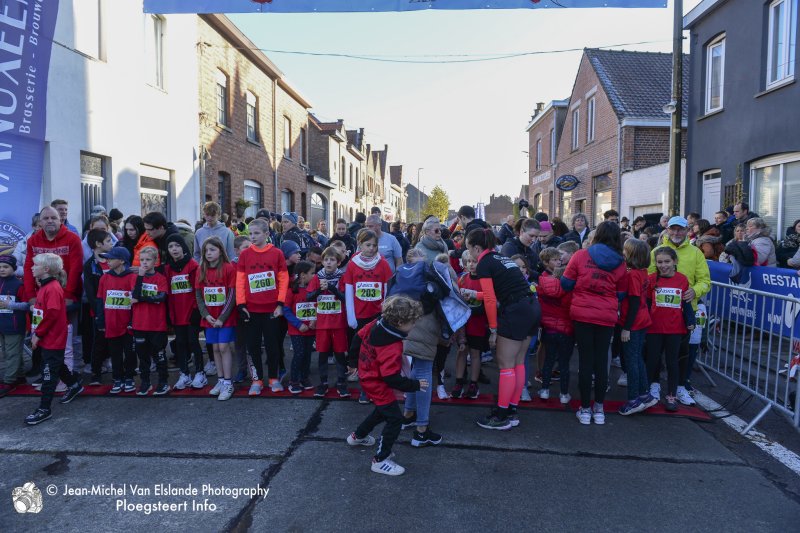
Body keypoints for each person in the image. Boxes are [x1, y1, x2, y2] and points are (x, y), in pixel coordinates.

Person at [467, 228, 541, 430]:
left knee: (505, 364)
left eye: (469, 249)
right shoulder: (501, 258)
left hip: (515, 311)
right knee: (518, 363)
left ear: (476, 247)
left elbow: (491, 299)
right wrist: (471, 293)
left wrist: (493, 328)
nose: (470, 255)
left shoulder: (484, 263)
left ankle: (500, 415)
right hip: (531, 307)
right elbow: (499, 290)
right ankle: (511, 409)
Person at [345, 295, 426, 476]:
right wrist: (414, 385)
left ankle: (357, 436)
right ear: (398, 322)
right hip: (377, 383)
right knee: (395, 419)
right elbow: (390, 377)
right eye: (411, 323)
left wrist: (352, 361)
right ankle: (380, 460)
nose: (413, 326)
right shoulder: (392, 345)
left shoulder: (378, 322)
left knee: (382, 411)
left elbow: (357, 337)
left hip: (368, 377)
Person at [561, 221, 627, 425]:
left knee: (585, 361)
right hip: (606, 316)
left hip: (582, 314)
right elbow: (621, 293)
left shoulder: (581, 255)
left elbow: (566, 283)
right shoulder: (620, 262)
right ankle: (599, 409)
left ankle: (584, 408)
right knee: (601, 362)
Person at [25, 253, 84, 425]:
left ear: (46, 269)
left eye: (35, 265)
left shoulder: (52, 288)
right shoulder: (45, 286)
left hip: (53, 337)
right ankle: (74, 385)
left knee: (48, 372)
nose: (31, 267)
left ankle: (44, 409)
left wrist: (38, 334)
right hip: (50, 337)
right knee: (56, 365)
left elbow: (52, 314)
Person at [236, 219, 288, 395]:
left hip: (272, 309)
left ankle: (273, 378)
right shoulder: (245, 255)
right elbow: (240, 281)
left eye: (256, 233)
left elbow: (283, 279)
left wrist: (280, 304)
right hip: (251, 310)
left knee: (273, 346)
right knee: (253, 346)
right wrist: (241, 304)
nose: (253, 237)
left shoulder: (277, 253)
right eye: (250, 234)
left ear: (267, 234)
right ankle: (256, 380)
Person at [647, 246, 696, 411]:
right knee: (652, 360)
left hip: (675, 329)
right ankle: (652, 389)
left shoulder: (682, 279)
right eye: (659, 262)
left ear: (674, 261)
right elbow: (646, 304)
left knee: (672, 362)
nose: (663, 265)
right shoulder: (651, 279)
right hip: (654, 327)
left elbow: (686, 303)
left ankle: (671, 395)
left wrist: (690, 319)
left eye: (667, 261)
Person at [617, 239, 658, 416]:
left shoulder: (633, 274)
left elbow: (633, 302)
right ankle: (644, 394)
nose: (622, 253)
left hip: (633, 323)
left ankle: (634, 399)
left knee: (632, 360)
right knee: (637, 358)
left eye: (625, 251)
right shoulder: (642, 272)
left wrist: (626, 327)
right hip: (642, 320)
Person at [195, 236, 237, 401]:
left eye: (212, 250)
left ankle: (228, 382)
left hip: (225, 317)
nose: (208, 253)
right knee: (215, 349)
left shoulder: (228, 268)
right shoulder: (201, 270)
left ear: (221, 251)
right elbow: (198, 295)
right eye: (206, 250)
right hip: (209, 318)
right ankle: (220, 380)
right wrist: (206, 315)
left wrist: (221, 317)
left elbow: (232, 295)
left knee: (224, 347)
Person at [306, 247, 350, 398]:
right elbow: (309, 297)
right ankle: (323, 383)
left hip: (338, 322)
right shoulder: (317, 278)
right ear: (322, 262)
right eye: (326, 260)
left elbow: (346, 298)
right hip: (323, 323)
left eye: (332, 260)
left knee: (339, 354)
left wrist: (332, 288)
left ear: (338, 262)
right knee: (323, 353)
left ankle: (341, 382)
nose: (329, 262)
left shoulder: (342, 277)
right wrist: (319, 290)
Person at [165, 234, 205, 392]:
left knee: (193, 342)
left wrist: (197, 310)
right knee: (180, 343)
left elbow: (198, 289)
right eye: (170, 247)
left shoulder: (193, 265)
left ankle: (200, 373)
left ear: (183, 247)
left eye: (177, 245)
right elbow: (168, 291)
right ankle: (184, 373)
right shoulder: (168, 268)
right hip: (177, 312)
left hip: (192, 312)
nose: (174, 249)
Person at [95, 247, 138, 394]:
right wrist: (100, 320)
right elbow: (100, 300)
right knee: (115, 353)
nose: (107, 261)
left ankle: (129, 377)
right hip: (111, 323)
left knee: (130, 352)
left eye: (111, 259)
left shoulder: (132, 277)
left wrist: (133, 321)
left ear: (121, 261)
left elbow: (136, 301)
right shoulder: (104, 278)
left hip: (128, 324)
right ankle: (117, 378)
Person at [131, 246, 170, 396]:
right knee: (142, 356)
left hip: (156, 325)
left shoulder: (160, 278)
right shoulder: (135, 278)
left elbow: (160, 298)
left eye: (148, 260)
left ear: (155, 261)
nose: (144, 263)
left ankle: (163, 382)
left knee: (159, 355)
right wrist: (140, 277)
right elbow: (134, 295)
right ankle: (145, 382)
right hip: (139, 324)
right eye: (142, 260)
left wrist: (141, 299)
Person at [536, 250, 573, 403]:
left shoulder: (541, 282)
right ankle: (564, 394)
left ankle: (544, 390)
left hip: (548, 328)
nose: (559, 262)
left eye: (559, 260)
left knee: (548, 360)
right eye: (556, 259)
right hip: (566, 329)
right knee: (564, 362)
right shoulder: (567, 286)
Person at [453, 249, 489, 400]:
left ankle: (474, 383)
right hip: (463, 324)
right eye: (469, 262)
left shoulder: (485, 280)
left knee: (475, 354)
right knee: (462, 351)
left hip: (478, 323)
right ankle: (459, 381)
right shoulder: (462, 279)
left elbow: (489, 302)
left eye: (475, 262)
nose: (472, 265)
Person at [82, 229, 114, 385]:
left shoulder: (114, 261)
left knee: (116, 340)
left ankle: (118, 371)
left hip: (115, 309)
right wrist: (99, 311)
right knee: (99, 342)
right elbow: (90, 291)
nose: (111, 243)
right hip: (99, 311)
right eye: (108, 241)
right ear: (98, 244)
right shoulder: (90, 265)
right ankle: (96, 373)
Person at [284, 261, 317, 394]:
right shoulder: (292, 290)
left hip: (311, 329)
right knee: (299, 354)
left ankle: (304, 378)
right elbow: (286, 310)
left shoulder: (314, 290)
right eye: (312, 273)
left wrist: (314, 321)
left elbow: (317, 306)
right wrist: (298, 324)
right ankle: (294, 381)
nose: (314, 276)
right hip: (296, 330)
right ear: (303, 275)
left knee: (308, 354)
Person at [0, 256, 26, 397]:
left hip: (14, 325)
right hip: (2, 324)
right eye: (0, 267)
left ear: (14, 269)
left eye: (6, 267)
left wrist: (10, 305)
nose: (2, 269)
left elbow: (28, 305)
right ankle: (20, 376)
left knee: (12, 353)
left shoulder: (18, 284)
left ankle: (9, 381)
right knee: (7, 352)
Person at [12, 213, 40, 277]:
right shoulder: (22, 243)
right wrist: (31, 272)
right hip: (27, 279)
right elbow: (13, 266)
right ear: (34, 226)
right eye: (40, 226)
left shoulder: (53, 242)